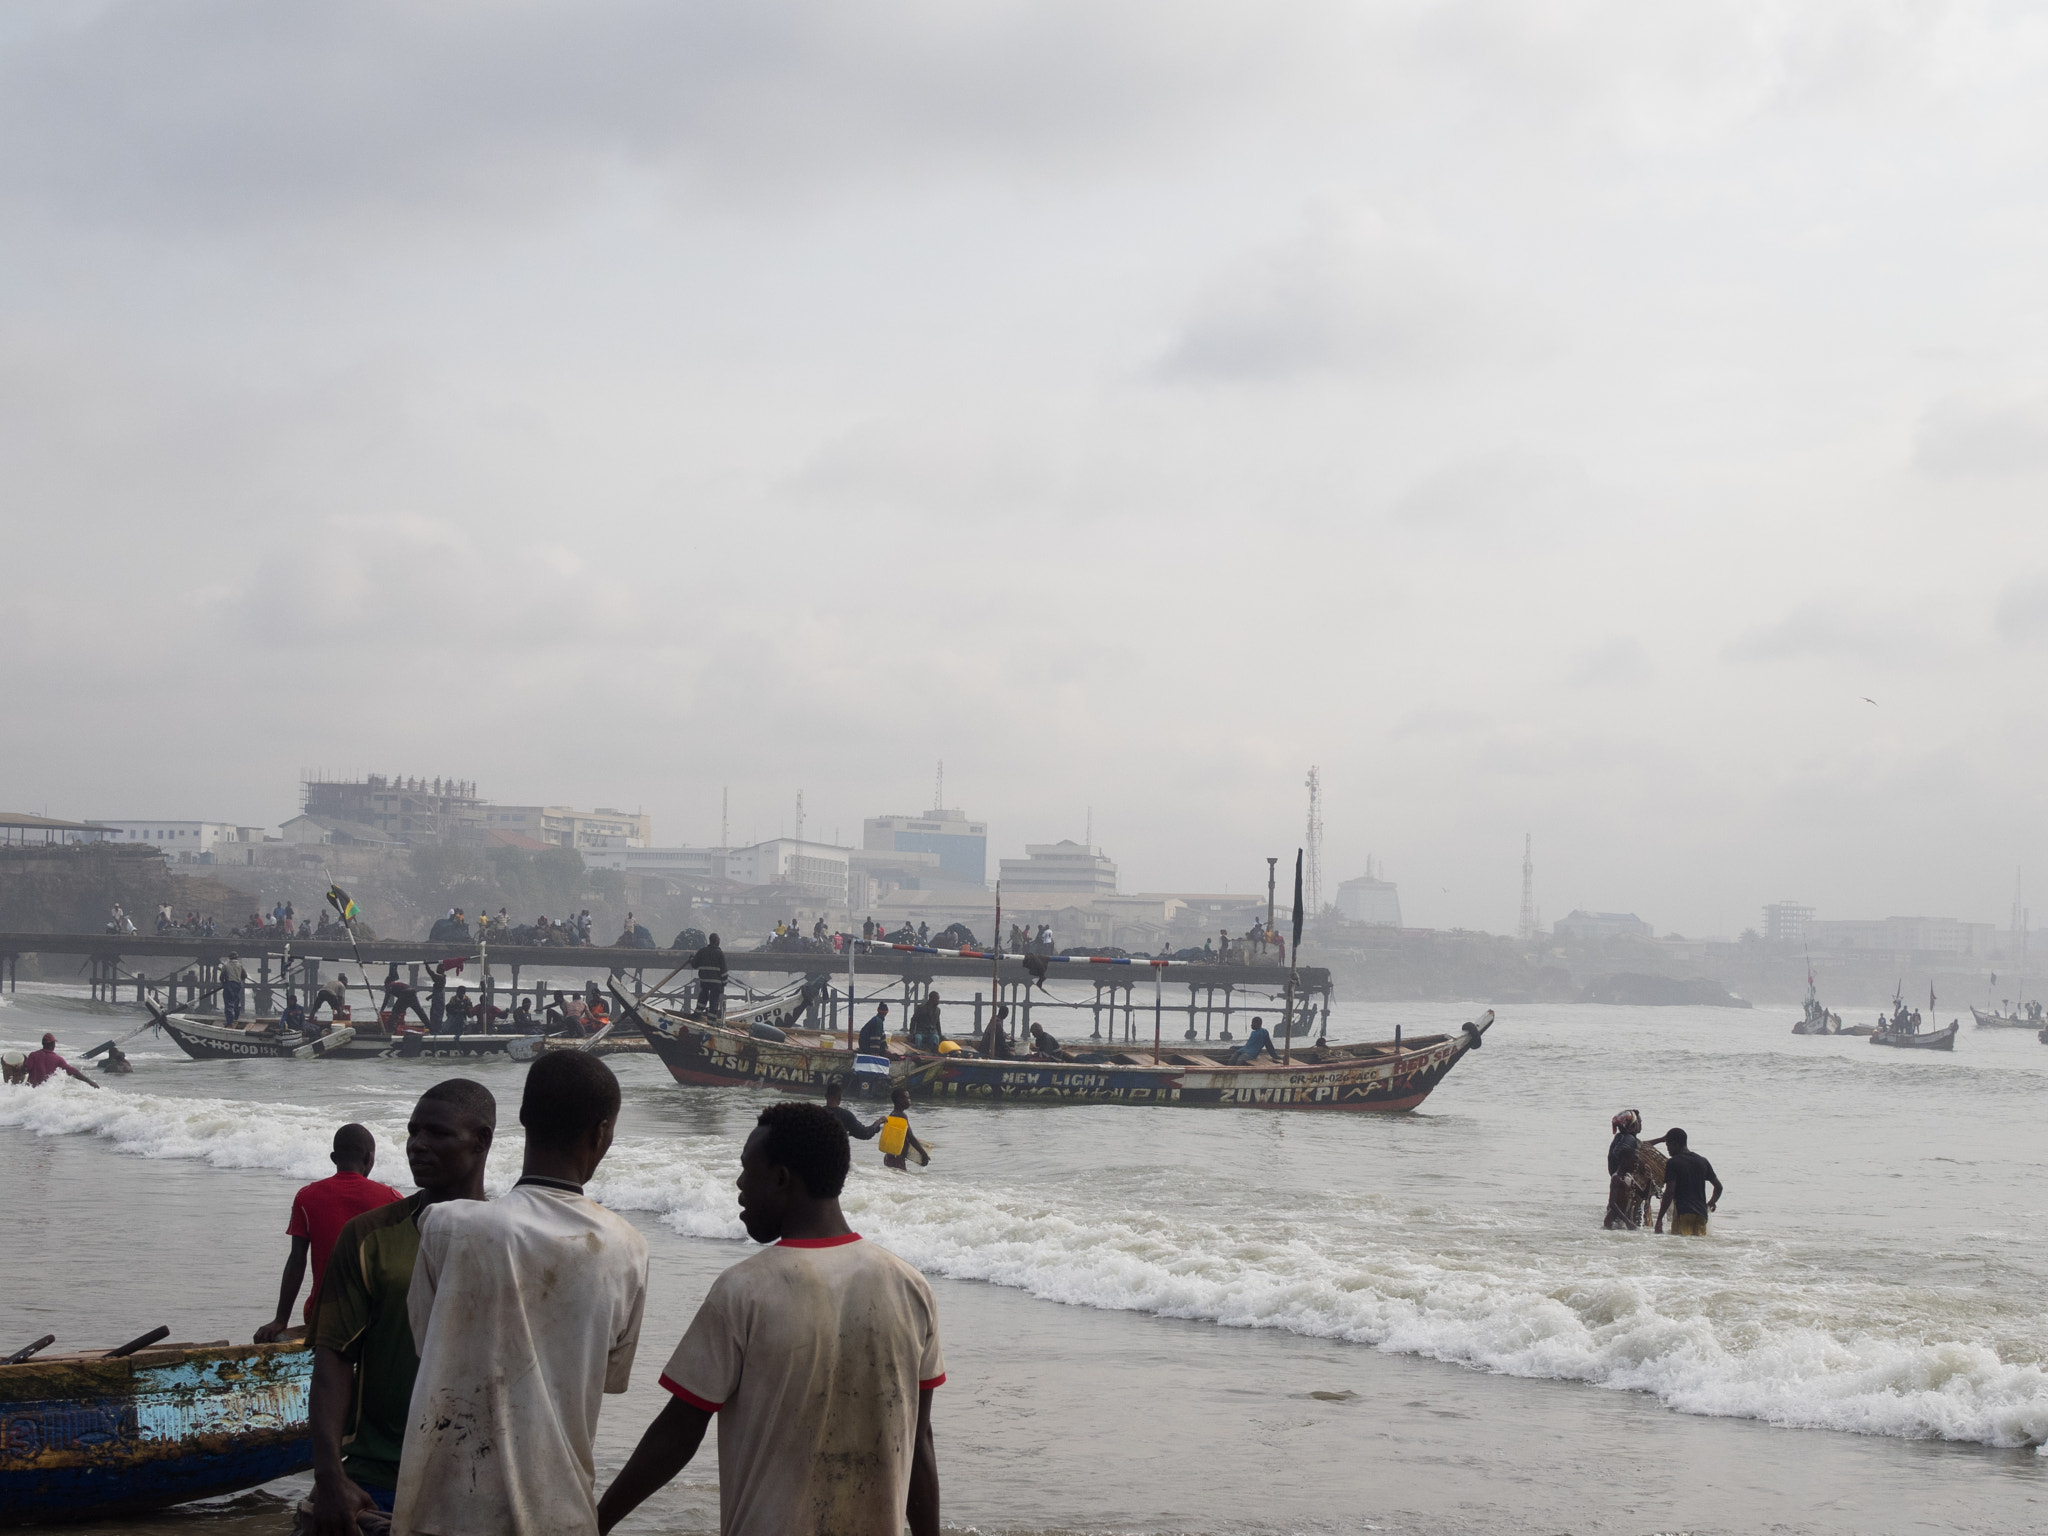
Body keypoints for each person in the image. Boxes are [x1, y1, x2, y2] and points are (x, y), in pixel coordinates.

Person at [597, 1102, 943, 1536]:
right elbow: (918, 1443)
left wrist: (597, 1521)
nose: (739, 1185)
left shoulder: (744, 1290)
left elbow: (678, 1433)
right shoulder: (910, 1287)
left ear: (781, 1179)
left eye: (747, 1170)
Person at [393, 1054, 649, 1536]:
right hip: (559, 1512)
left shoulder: (446, 1226)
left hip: (443, 1512)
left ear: (524, 1118)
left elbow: (430, 1346)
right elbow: (606, 1379)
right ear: (600, 1133)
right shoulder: (629, 1248)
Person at [305, 1081, 496, 1531]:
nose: (417, 1146)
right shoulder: (369, 1235)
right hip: (377, 1478)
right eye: (413, 1132)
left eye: (437, 1133)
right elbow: (333, 1358)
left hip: (480, 1482)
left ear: (482, 1141)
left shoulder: (509, 1241)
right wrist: (329, 1476)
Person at [256, 1125, 404, 1345]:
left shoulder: (306, 1197)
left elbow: (296, 1260)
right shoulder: (391, 1199)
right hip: (377, 1315)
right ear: (369, 1157)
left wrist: (281, 1319)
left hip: (322, 1314)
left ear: (333, 1158)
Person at [1652, 1127, 1722, 1236]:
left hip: (1683, 1213)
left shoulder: (1673, 1163)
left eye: (1668, 1146)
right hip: (1701, 1215)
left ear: (1676, 1144)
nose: (1668, 1150)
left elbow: (1669, 1192)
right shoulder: (1702, 1161)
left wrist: (1659, 1219)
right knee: (1696, 1247)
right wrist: (1712, 1201)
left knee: (1679, 1248)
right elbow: (1718, 1187)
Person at [1602, 1109, 1646, 1230]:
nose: (1641, 1124)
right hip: (1621, 1183)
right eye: (1640, 1122)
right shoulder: (1629, 1140)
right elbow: (1632, 1151)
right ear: (1632, 1124)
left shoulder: (1620, 1138)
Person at [879, 1087, 929, 1172]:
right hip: (896, 1158)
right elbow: (910, 1137)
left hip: (892, 1157)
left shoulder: (894, 1114)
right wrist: (923, 1154)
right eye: (907, 1098)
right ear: (899, 1100)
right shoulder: (901, 1116)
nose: (909, 1101)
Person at [25, 1032, 99, 1089]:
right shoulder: (58, 1059)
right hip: (46, 1091)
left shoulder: (33, 1055)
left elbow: (25, 1070)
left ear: (42, 1044)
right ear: (53, 1044)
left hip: (30, 1091)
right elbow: (72, 1071)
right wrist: (89, 1081)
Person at [691, 933, 728, 1019]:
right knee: (714, 1002)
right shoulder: (719, 953)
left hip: (704, 981)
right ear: (717, 941)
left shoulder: (702, 951)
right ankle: (711, 1022)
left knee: (702, 998)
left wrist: (692, 959)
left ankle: (696, 1016)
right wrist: (724, 983)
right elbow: (724, 971)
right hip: (716, 983)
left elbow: (694, 965)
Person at [221, 951, 249, 1026]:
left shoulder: (226, 966)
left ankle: (229, 1022)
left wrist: (224, 984)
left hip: (229, 985)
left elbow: (221, 977)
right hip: (238, 985)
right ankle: (236, 1019)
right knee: (237, 1002)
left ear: (229, 958)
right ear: (237, 957)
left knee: (228, 1003)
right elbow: (245, 975)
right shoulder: (240, 965)